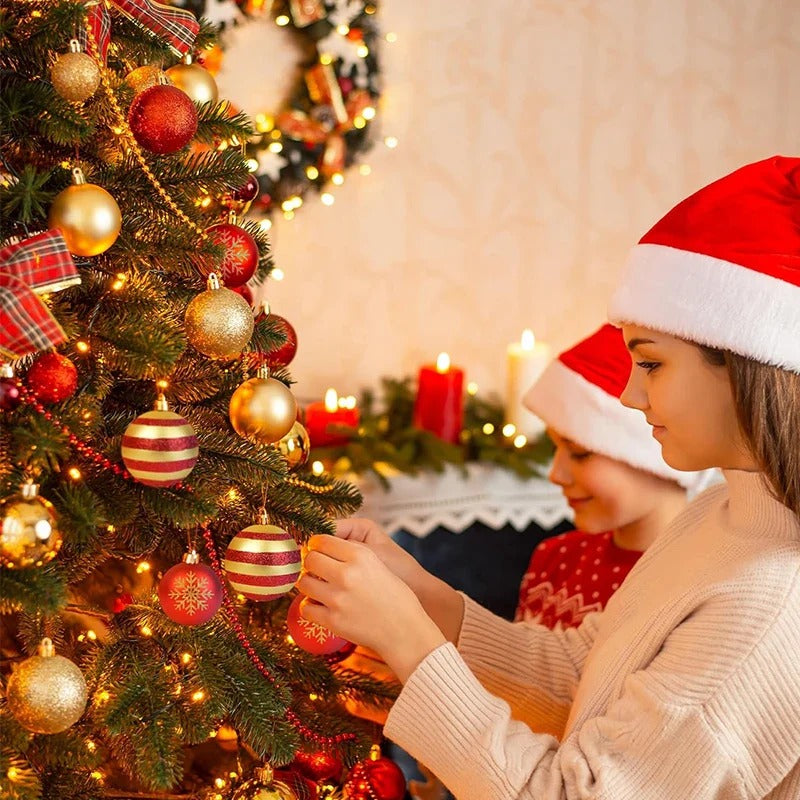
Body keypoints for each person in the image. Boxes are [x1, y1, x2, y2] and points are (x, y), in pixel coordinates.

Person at [298, 155, 800, 799]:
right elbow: (584, 678)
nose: (627, 396)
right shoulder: (718, 515)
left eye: (650, 364)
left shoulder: (770, 604)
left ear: (745, 363)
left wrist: (412, 643)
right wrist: (427, 599)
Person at [516, 323, 702, 634]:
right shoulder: (555, 559)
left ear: (651, 457)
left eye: (579, 453)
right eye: (554, 447)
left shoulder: (697, 581)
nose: (555, 474)